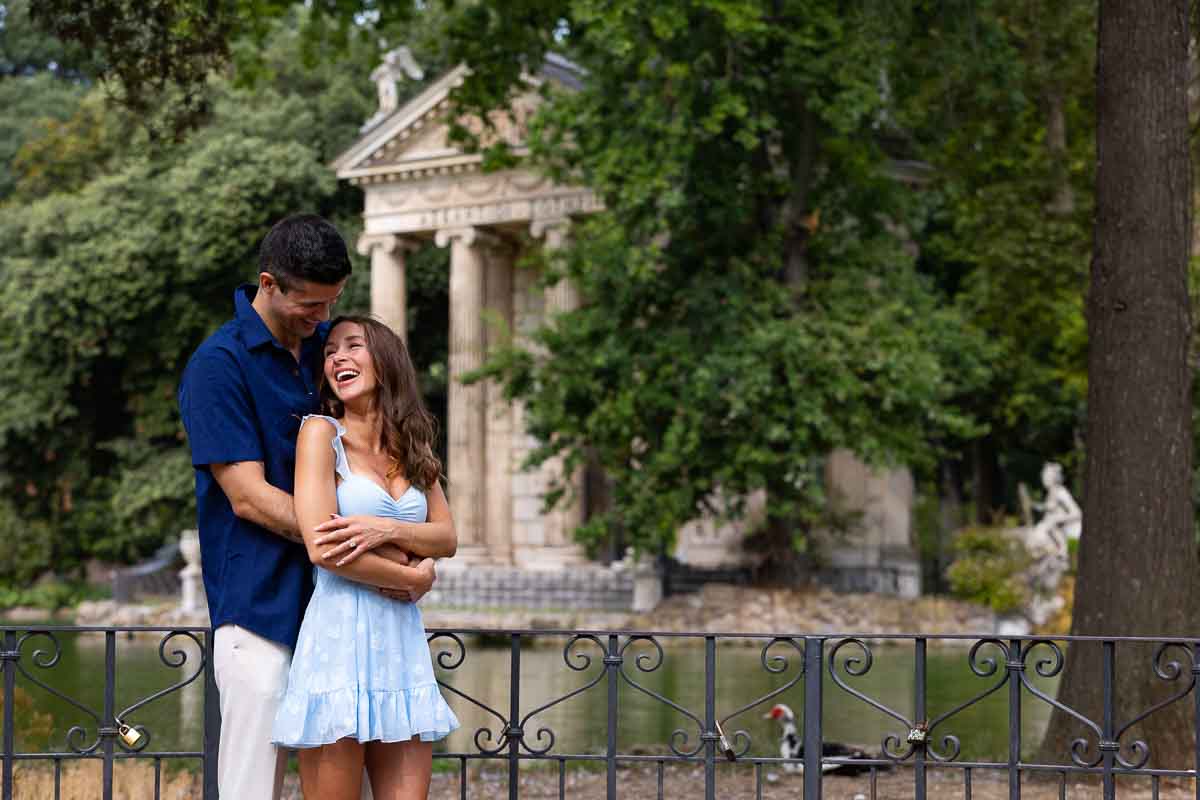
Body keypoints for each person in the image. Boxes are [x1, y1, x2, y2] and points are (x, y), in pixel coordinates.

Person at [178, 214, 454, 800]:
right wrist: (392, 563)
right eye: (311, 305)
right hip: (261, 612)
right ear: (269, 284)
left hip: (339, 617)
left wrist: (387, 556)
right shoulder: (218, 366)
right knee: (254, 789)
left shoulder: (320, 356)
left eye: (333, 305)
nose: (323, 320)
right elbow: (249, 499)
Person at [271, 315, 459, 799]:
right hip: (339, 642)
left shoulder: (413, 445)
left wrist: (386, 528)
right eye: (330, 352)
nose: (337, 358)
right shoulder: (320, 433)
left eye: (353, 346)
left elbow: (447, 537)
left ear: (386, 360)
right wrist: (411, 575)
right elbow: (322, 548)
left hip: (401, 647)